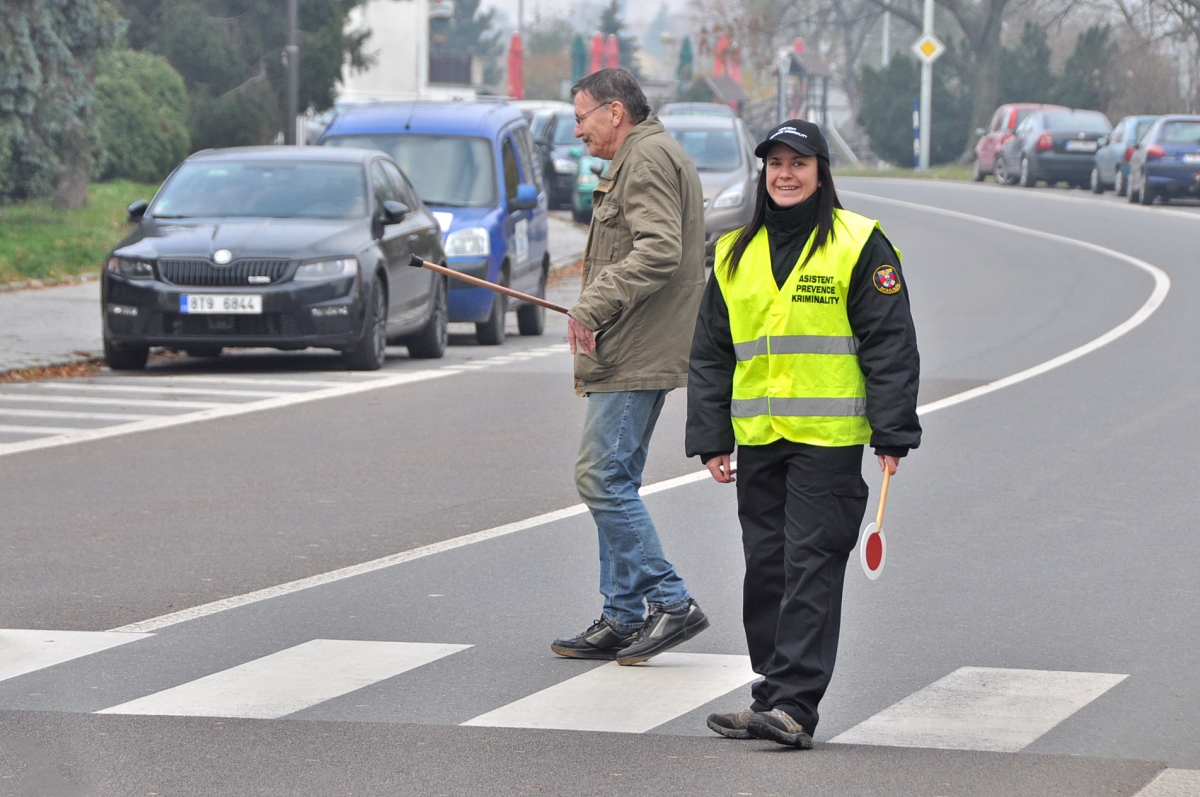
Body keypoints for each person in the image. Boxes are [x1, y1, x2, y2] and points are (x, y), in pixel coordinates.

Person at [686, 120, 921, 747]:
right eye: (775, 164)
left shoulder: (859, 243)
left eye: (799, 163)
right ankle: (771, 693)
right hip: (759, 439)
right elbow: (711, 352)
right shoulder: (733, 253)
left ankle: (794, 706)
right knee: (767, 569)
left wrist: (892, 433)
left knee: (810, 565)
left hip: (828, 442)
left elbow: (890, 343)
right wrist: (712, 436)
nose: (785, 175)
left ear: (821, 173)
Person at [550, 68, 709, 666]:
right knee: (615, 480)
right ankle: (622, 615)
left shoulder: (644, 158)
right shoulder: (647, 153)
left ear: (615, 112)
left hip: (636, 347)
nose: (577, 131)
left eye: (581, 118)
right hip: (633, 344)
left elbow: (660, 249)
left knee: (599, 478)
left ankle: (670, 600)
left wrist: (592, 304)